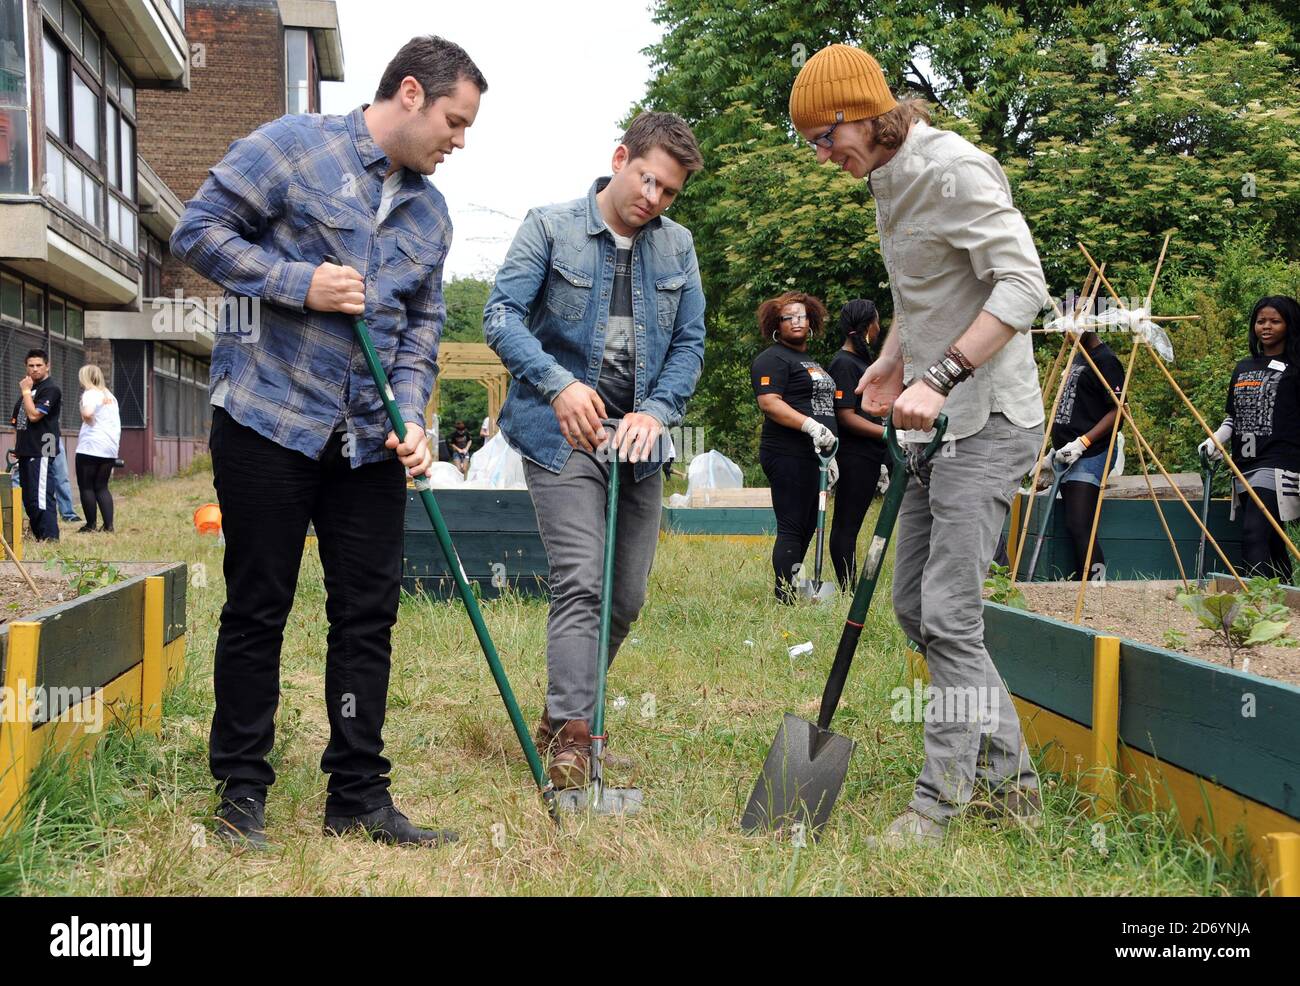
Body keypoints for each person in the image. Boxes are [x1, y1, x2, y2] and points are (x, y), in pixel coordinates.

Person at [171, 35, 486, 849]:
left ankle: (358, 795)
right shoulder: (292, 147)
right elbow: (196, 231)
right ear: (411, 93)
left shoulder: (432, 213)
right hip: (267, 419)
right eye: (455, 121)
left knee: (367, 618)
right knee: (258, 607)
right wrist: (295, 283)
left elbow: (421, 328)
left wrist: (412, 415)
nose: (459, 140)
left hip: (368, 442)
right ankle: (241, 791)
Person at [792, 44, 1049, 846]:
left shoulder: (955, 171)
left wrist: (937, 375)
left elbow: (1023, 286)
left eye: (825, 137)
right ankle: (1015, 784)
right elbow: (926, 289)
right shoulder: (884, 178)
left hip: (989, 419)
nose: (823, 156)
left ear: (865, 113)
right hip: (932, 422)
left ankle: (937, 807)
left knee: (949, 611)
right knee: (913, 606)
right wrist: (892, 361)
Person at [484, 111, 706, 790]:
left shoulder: (678, 248)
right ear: (620, 158)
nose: (654, 199)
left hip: (639, 443)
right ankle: (575, 737)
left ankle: (560, 715)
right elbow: (500, 317)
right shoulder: (548, 226)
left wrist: (657, 410)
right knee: (583, 577)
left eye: (669, 192)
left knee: (626, 596)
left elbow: (691, 343)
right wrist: (557, 386)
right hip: (563, 434)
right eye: (648, 180)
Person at [1200, 295, 1300, 583]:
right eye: (1261, 321)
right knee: (1272, 538)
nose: (1266, 327)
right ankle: (1288, 599)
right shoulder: (1244, 367)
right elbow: (1234, 416)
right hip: (1245, 463)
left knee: (1253, 531)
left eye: (1275, 321)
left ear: (1290, 325)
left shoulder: (1296, 368)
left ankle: (1256, 602)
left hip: (1280, 462)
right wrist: (1217, 438)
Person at [750, 291, 838, 602]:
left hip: (815, 456)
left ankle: (796, 589)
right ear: (777, 324)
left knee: (807, 526)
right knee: (791, 525)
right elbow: (770, 404)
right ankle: (784, 595)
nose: (796, 321)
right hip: (787, 452)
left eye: (802, 316)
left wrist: (830, 456)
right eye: (789, 317)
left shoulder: (809, 360)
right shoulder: (772, 359)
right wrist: (811, 426)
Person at [827, 298, 889, 587]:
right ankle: (848, 589)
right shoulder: (843, 363)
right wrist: (887, 434)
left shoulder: (863, 361)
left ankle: (853, 585)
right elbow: (846, 417)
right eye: (877, 322)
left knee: (856, 524)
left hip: (870, 454)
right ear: (868, 326)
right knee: (846, 525)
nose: (879, 329)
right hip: (854, 456)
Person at [10, 349, 62, 541]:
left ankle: (49, 537)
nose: (35, 369)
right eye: (31, 365)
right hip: (26, 450)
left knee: (41, 495)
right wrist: (18, 447)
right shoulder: (30, 389)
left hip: (42, 449)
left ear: (47, 366)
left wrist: (24, 391)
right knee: (29, 497)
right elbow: (19, 422)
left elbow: (33, 415)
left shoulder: (50, 389)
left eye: (39, 365)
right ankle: (38, 534)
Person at [75, 364, 121, 533]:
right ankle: (109, 526)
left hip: (90, 446)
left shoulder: (90, 393)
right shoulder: (109, 395)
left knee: (86, 486)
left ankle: (90, 524)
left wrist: (87, 419)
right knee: (102, 486)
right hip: (109, 447)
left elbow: (87, 413)